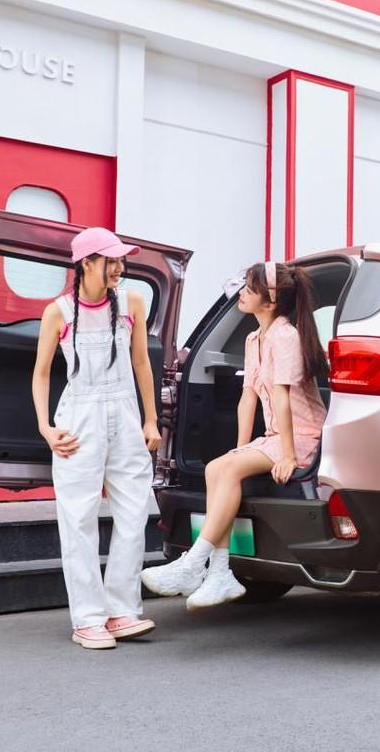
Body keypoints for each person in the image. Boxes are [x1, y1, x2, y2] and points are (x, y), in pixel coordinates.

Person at [142, 260, 327, 609]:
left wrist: (289, 456)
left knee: (225, 469)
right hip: (274, 435)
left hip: (302, 436)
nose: (241, 293)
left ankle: (194, 563)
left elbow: (283, 398)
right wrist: (240, 451)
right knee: (218, 467)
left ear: (270, 302)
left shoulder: (286, 336)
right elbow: (247, 398)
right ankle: (220, 573)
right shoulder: (254, 338)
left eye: (249, 289)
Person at [31, 226, 162, 650]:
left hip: (125, 415)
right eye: (111, 260)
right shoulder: (58, 312)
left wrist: (151, 420)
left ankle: (122, 610)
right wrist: (45, 427)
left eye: (121, 260)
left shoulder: (132, 302)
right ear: (86, 263)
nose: (120, 267)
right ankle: (88, 618)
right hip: (78, 418)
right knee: (78, 518)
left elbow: (141, 362)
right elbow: (41, 373)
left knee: (134, 511)